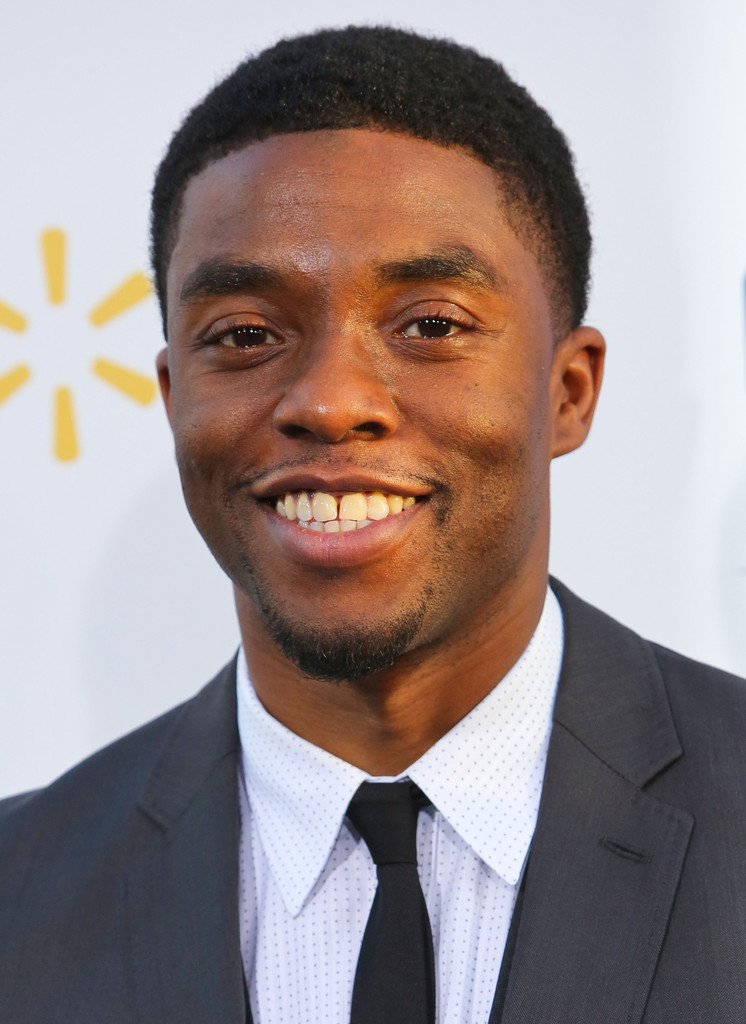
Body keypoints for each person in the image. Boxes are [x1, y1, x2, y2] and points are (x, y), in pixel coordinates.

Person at [1, 25, 745, 1024]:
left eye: (430, 325)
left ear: (567, 391)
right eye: (246, 334)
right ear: (174, 398)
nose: (330, 400)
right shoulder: (20, 897)